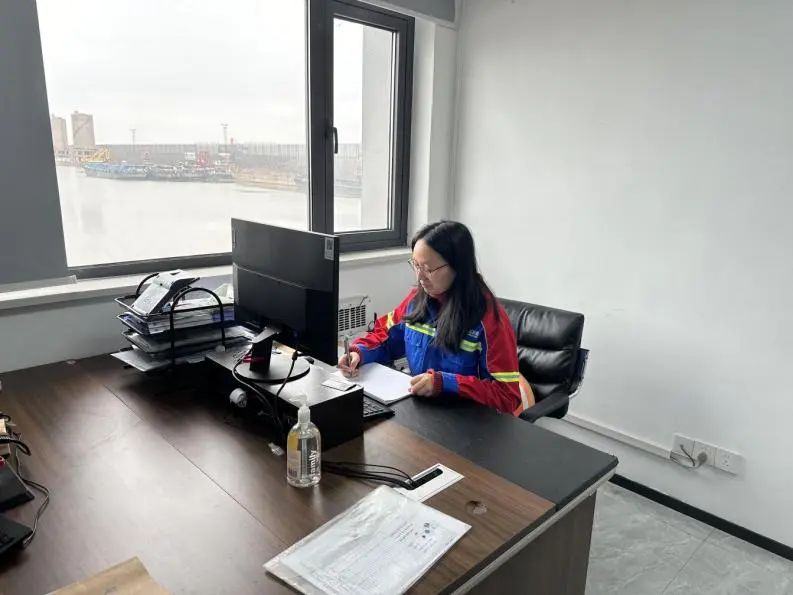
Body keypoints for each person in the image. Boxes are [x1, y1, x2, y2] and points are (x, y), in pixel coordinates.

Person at [338, 220, 534, 415]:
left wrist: (445, 383)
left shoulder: (489, 320)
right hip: (422, 411)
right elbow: (386, 339)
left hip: (468, 422)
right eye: (416, 265)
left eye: (428, 269)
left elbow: (507, 397)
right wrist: (359, 353)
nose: (420, 277)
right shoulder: (416, 301)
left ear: (457, 267)